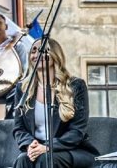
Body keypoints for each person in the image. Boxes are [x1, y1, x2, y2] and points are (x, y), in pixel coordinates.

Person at [12, 38, 99, 168]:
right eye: (33, 51)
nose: (36, 55)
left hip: (72, 150)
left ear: (55, 55)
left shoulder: (75, 86)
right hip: (38, 148)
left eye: (42, 50)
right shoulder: (23, 88)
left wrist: (48, 146)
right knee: (23, 160)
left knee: (46, 159)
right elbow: (19, 128)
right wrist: (31, 144)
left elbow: (77, 131)